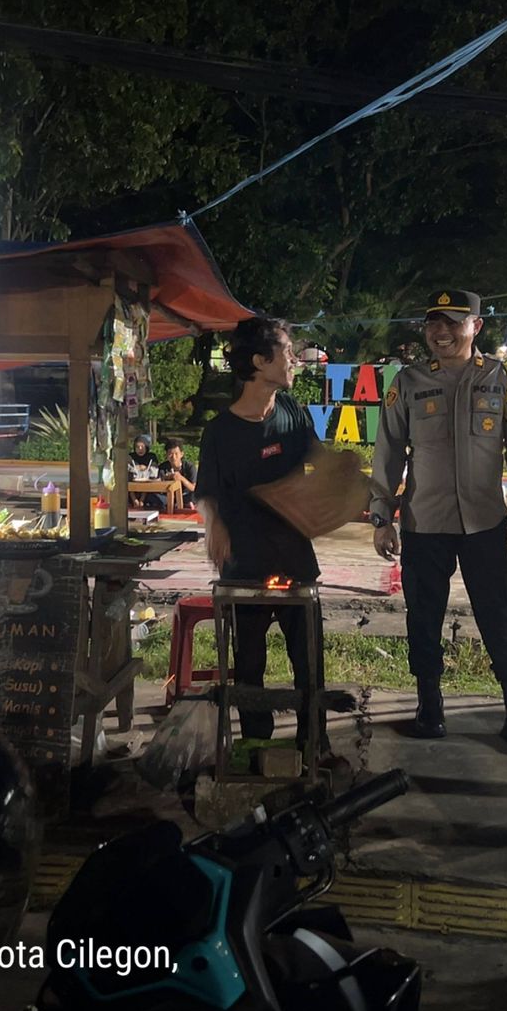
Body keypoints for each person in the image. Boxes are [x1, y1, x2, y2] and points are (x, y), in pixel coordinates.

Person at [370, 289, 507, 753]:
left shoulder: (502, 378)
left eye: (452, 322)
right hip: (425, 524)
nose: (440, 332)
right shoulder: (407, 382)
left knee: (498, 617)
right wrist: (382, 516)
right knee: (424, 619)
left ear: (476, 327)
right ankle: (430, 708)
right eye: (433, 323)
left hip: (486, 524)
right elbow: (388, 451)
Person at [196, 317, 324, 745]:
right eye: (286, 352)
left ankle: (314, 745)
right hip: (245, 565)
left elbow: (318, 463)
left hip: (295, 559)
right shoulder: (220, 432)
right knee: (249, 668)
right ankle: (255, 747)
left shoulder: (292, 413)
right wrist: (213, 525)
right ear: (259, 361)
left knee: (310, 664)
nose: (294, 360)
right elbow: (206, 493)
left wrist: (339, 486)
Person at [127, 434, 165, 511]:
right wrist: (136, 468)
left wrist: (145, 468)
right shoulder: (130, 456)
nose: (140, 449)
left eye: (142, 446)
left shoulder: (151, 456)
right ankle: (134, 500)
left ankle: (142, 500)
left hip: (147, 489)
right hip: (131, 488)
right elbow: (127, 470)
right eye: (137, 447)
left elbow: (154, 471)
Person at [162, 437, 196, 511]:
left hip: (185, 495)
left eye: (176, 454)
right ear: (166, 454)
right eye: (170, 454)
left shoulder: (189, 466)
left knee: (196, 495)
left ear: (181, 454)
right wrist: (166, 478)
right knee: (152, 496)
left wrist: (181, 478)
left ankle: (185, 503)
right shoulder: (162, 467)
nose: (173, 457)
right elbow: (158, 485)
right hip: (168, 495)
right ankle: (176, 504)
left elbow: (193, 487)